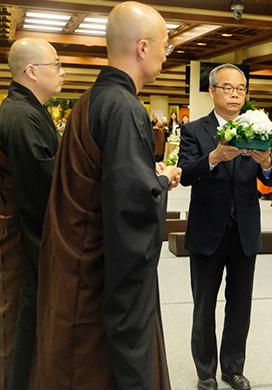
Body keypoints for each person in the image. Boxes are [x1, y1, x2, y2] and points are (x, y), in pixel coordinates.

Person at [31, 3, 181, 389]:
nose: (168, 54)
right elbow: (131, 208)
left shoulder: (89, 100)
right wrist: (159, 185)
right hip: (100, 277)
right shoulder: (124, 107)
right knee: (101, 370)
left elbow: (104, 183)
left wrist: (149, 179)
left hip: (75, 264)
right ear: (143, 48)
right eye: (166, 45)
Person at [178, 63, 272, 390]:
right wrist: (214, 157)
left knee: (240, 305)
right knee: (204, 306)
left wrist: (266, 164)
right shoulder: (195, 130)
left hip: (245, 230)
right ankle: (205, 370)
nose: (235, 94)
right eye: (228, 88)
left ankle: (233, 368)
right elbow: (186, 174)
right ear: (212, 91)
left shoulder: (259, 129)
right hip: (208, 230)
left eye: (240, 89)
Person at [0, 37, 63, 390]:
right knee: (17, 323)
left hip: (24, 234)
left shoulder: (26, 110)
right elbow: (41, 188)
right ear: (32, 71)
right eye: (56, 64)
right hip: (21, 239)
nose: (62, 72)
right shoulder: (21, 116)